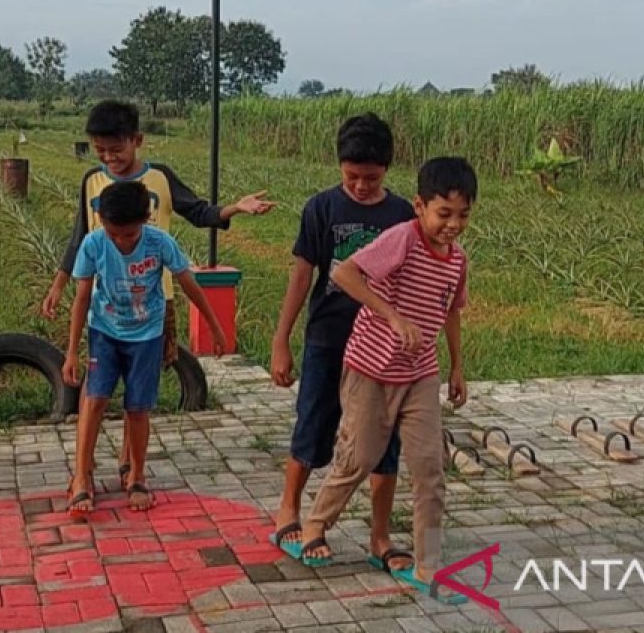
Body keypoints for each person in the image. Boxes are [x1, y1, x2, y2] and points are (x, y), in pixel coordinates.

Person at [41, 100, 274, 486]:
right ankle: (85, 469)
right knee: (97, 390)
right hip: (106, 304)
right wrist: (58, 284)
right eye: (101, 151)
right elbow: (80, 235)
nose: (109, 158)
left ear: (138, 140)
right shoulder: (92, 182)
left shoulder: (161, 180)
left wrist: (236, 208)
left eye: (117, 149)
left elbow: (199, 212)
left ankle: (129, 463)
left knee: (140, 393)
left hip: (155, 302)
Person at [298, 156, 476, 601]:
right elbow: (344, 272)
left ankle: (428, 567)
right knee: (359, 457)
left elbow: (452, 311)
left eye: (463, 216)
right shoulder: (402, 239)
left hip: (419, 376)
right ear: (419, 205)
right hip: (370, 370)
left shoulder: (457, 260)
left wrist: (456, 366)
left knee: (430, 471)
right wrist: (392, 316)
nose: (452, 225)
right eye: (444, 214)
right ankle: (315, 524)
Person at [268, 113, 416, 575]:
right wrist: (282, 340)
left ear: (387, 171)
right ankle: (288, 510)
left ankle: (380, 536)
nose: (360, 186)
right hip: (328, 340)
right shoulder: (321, 209)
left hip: (381, 351)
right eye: (351, 176)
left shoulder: (402, 216)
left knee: (382, 442)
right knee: (313, 423)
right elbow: (301, 275)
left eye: (370, 178)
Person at [61, 180, 227, 515]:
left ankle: (136, 476)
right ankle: (81, 476)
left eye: (129, 235)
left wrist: (215, 326)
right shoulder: (93, 244)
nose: (121, 241)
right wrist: (71, 351)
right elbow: (81, 299)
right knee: (94, 400)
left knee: (138, 408)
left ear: (146, 219)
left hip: (147, 335)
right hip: (104, 331)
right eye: (114, 234)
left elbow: (189, 284)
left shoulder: (159, 243)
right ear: (101, 220)